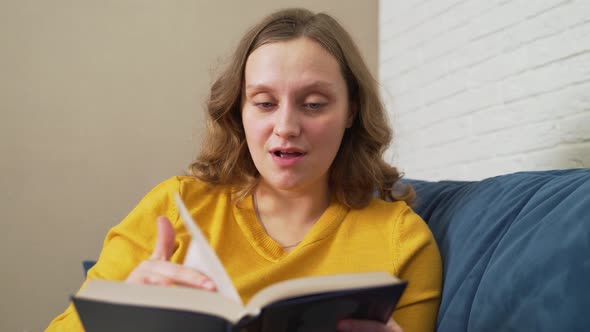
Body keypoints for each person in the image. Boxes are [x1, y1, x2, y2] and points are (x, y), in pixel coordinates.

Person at [47, 8, 441, 332]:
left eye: (314, 104)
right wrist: (120, 318)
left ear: (351, 111)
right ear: (240, 111)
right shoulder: (175, 205)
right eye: (265, 103)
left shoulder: (402, 242)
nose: (286, 127)